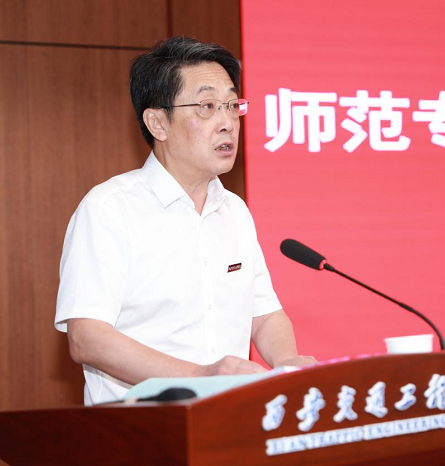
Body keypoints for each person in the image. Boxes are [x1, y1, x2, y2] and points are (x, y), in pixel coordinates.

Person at [54, 36, 315, 405]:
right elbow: (87, 337)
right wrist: (199, 377)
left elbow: (265, 315)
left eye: (232, 105)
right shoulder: (109, 209)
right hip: (138, 424)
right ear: (158, 123)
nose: (227, 123)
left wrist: (287, 363)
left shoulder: (234, 211)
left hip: (228, 418)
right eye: (207, 106)